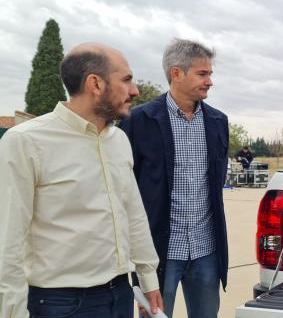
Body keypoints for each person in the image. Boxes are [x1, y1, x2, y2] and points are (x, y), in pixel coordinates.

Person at [0, 43, 163, 318]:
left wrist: (148, 279)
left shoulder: (119, 140)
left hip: (120, 295)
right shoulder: (26, 142)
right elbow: (8, 241)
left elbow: (133, 213)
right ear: (95, 84)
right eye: (126, 80)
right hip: (59, 304)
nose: (135, 90)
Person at [119, 38, 229, 318]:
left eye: (210, 74)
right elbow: (124, 188)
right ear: (176, 73)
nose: (210, 81)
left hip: (206, 251)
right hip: (158, 253)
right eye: (203, 74)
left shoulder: (218, 122)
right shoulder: (138, 121)